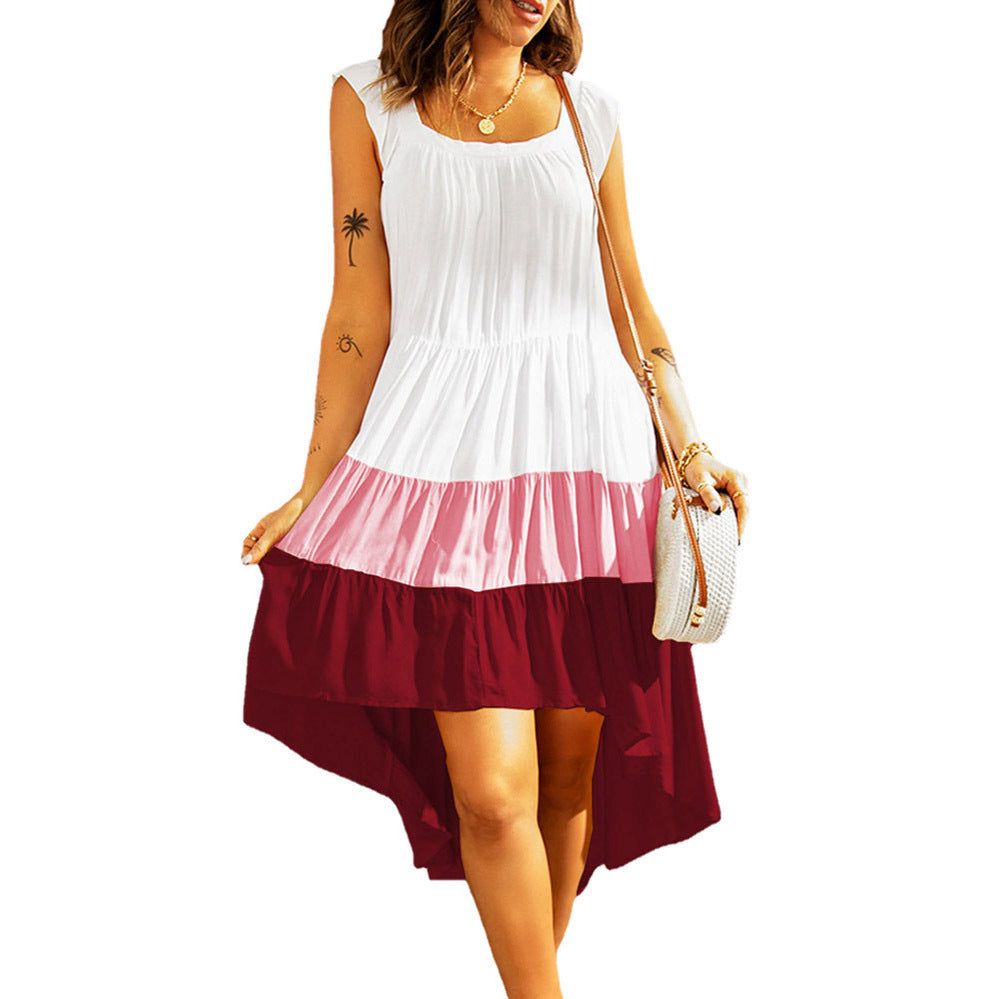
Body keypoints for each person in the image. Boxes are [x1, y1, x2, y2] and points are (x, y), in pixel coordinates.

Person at [241, 1, 749, 995]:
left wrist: (689, 444)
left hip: (587, 466)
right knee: (490, 791)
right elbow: (358, 310)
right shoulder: (369, 103)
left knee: (564, 781)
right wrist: (316, 482)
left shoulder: (588, 113)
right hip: (439, 467)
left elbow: (630, 301)